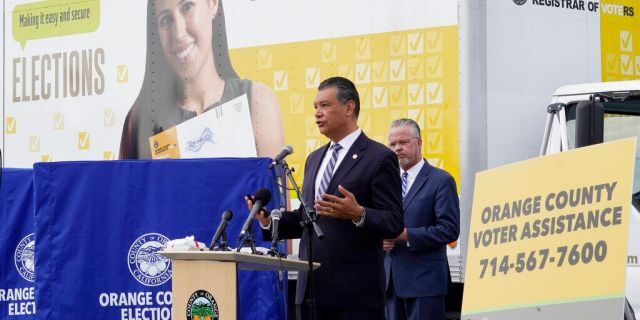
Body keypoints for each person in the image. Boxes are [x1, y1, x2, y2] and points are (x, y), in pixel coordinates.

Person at [250, 77, 404, 320]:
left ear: (349, 107)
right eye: (315, 108)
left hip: (355, 297)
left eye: (324, 106)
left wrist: (359, 214)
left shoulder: (379, 157)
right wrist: (268, 221)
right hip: (311, 291)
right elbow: (308, 217)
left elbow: (394, 221)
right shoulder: (314, 159)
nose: (317, 114)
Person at [119, 0, 283, 159]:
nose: (179, 34)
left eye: (186, 7)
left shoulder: (257, 102)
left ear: (213, 4)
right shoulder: (141, 120)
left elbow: (275, 185)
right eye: (165, 20)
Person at [383, 118, 460, 320]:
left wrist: (406, 235)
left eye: (403, 142)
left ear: (419, 143)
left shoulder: (441, 180)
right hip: (390, 283)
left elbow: (449, 229)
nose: (397, 148)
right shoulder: (386, 183)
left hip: (425, 283)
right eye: (392, 144)